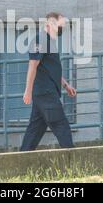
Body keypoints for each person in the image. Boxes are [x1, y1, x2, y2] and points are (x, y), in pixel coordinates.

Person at [20, 12, 77, 151]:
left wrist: (65, 85)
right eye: (60, 26)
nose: (62, 29)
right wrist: (28, 91)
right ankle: (73, 162)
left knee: (34, 131)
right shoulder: (41, 40)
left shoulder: (49, 41)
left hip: (44, 93)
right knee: (61, 125)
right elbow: (33, 66)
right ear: (50, 24)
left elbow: (50, 69)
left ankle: (21, 160)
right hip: (46, 93)